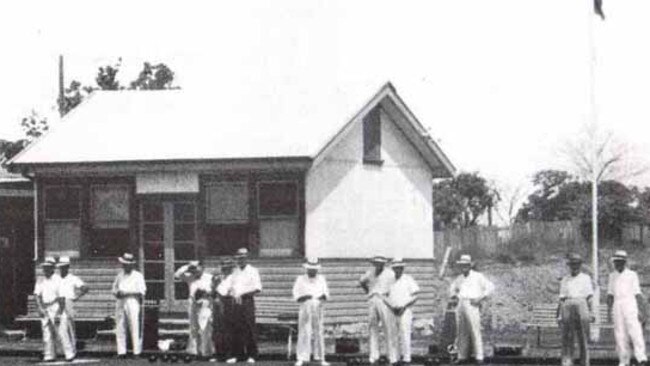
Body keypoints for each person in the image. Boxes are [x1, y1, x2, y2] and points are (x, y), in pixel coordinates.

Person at [449, 254, 494, 364]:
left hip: (472, 304)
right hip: (461, 304)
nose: (464, 267)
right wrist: (453, 296)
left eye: (466, 265)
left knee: (475, 330)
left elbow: (490, 287)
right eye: (462, 265)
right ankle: (462, 355)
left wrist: (480, 298)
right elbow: (452, 289)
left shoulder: (478, 276)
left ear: (470, 266)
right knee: (461, 331)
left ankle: (479, 356)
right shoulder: (459, 278)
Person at [607, 250, 648, 366]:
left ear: (624, 262)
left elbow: (637, 294)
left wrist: (642, 310)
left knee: (635, 331)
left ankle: (641, 358)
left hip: (630, 304)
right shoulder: (612, 276)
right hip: (617, 305)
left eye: (620, 262)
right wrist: (610, 310)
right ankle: (624, 360)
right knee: (620, 333)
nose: (618, 264)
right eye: (616, 262)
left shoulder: (632, 275)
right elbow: (610, 295)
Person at [224, 248, 262, 363]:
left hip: (247, 301)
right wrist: (230, 292)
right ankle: (237, 354)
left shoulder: (253, 271)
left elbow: (257, 288)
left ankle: (252, 355)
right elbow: (230, 286)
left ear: (247, 258)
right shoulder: (234, 271)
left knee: (249, 328)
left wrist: (244, 294)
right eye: (239, 257)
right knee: (236, 328)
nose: (241, 259)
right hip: (235, 302)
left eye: (243, 257)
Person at [34, 257, 74, 362]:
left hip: (56, 306)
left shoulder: (58, 280)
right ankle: (49, 355)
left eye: (48, 267)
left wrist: (59, 313)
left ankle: (69, 354)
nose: (45, 270)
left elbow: (62, 297)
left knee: (61, 332)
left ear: (53, 268)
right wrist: (40, 308)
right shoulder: (40, 280)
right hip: (45, 307)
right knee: (47, 333)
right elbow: (37, 296)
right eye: (44, 267)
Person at [359, 255, 397, 365]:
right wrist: (368, 291)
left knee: (388, 328)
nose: (378, 265)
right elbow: (361, 282)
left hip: (384, 299)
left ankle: (392, 356)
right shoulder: (370, 272)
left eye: (380, 263)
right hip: (373, 299)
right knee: (373, 328)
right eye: (376, 263)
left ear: (384, 263)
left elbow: (395, 287)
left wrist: (390, 299)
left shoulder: (390, 274)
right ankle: (374, 356)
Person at [557, 253, 594, 366]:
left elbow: (590, 297)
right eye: (572, 264)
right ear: (569, 266)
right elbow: (562, 298)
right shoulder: (565, 279)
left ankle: (584, 361)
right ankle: (567, 361)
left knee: (583, 336)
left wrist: (592, 312)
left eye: (577, 264)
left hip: (581, 304)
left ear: (580, 265)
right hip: (568, 305)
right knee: (567, 336)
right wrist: (559, 315)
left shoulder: (586, 278)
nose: (574, 267)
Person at [292, 257, 330, 366]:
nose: (312, 271)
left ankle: (320, 358)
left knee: (318, 331)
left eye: (314, 269)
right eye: (310, 269)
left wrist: (322, 297)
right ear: (306, 269)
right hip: (305, 306)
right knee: (304, 331)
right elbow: (296, 294)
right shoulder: (300, 279)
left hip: (318, 306)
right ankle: (301, 358)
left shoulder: (321, 279)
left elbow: (326, 293)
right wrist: (304, 297)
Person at [175, 260, 215, 360]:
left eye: (197, 267)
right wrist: (189, 266)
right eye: (195, 268)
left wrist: (206, 292)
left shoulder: (209, 277)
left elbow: (214, 289)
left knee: (205, 328)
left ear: (202, 267)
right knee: (193, 328)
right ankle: (194, 352)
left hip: (205, 302)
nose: (196, 270)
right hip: (193, 303)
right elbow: (177, 274)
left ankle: (206, 353)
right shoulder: (190, 276)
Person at [384, 258, 420, 365]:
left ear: (402, 268)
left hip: (405, 310)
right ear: (393, 269)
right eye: (395, 268)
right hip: (391, 310)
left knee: (405, 334)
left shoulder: (408, 279)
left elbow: (415, 296)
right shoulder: (389, 281)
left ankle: (406, 359)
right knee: (392, 335)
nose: (397, 270)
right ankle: (394, 359)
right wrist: (391, 306)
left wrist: (404, 306)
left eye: (399, 268)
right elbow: (383, 296)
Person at [112, 252, 146, 358]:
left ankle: (136, 351)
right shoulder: (119, 275)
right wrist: (117, 293)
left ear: (131, 264)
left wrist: (127, 293)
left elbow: (142, 291)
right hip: (120, 301)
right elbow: (114, 288)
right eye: (124, 264)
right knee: (120, 326)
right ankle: (121, 351)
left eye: (127, 264)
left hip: (132, 301)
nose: (125, 266)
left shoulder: (138, 276)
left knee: (134, 325)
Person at [57, 256, 89, 361]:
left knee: (69, 328)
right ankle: (69, 352)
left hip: (68, 302)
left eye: (64, 267)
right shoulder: (56, 278)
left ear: (68, 267)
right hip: (57, 303)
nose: (62, 269)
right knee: (61, 330)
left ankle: (72, 351)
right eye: (61, 267)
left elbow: (85, 288)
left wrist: (76, 297)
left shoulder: (73, 278)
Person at [214, 257, 236, 361]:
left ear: (231, 267)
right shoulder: (218, 278)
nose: (225, 268)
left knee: (229, 330)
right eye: (223, 265)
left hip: (230, 303)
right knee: (218, 330)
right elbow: (213, 290)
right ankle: (219, 354)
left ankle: (230, 354)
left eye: (227, 266)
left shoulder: (234, 278)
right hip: (218, 304)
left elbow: (231, 292)